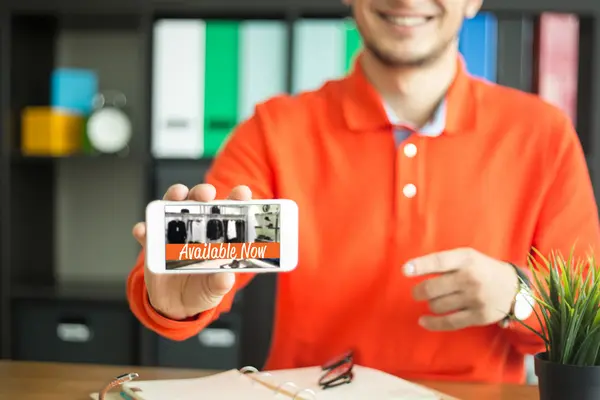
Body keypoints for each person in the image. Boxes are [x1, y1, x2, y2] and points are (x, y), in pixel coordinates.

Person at [127, 0, 600, 384]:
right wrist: (173, 300)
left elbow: (589, 316)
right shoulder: (275, 129)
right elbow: (196, 268)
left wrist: (517, 296)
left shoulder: (543, 134)